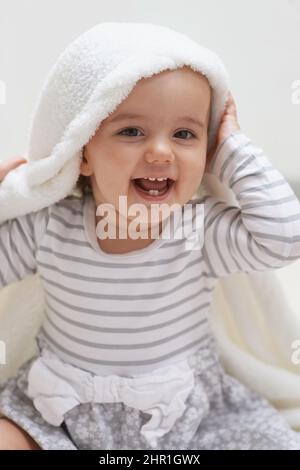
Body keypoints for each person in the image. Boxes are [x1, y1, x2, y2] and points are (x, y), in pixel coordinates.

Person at [0, 22, 300, 450]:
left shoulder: (200, 231)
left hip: (184, 418)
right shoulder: (49, 227)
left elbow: (285, 238)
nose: (161, 152)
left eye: (185, 134)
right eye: (131, 131)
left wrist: (232, 150)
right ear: (82, 151)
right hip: (58, 412)